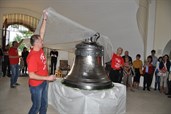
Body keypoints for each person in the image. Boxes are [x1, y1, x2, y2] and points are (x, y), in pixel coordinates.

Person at [27, 11, 56, 114]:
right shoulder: (32, 57)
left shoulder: (39, 49)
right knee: (36, 106)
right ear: (36, 43)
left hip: (44, 82)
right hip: (36, 85)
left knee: (44, 104)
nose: (43, 41)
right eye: (41, 41)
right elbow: (31, 75)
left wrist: (45, 19)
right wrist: (47, 78)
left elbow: (42, 32)